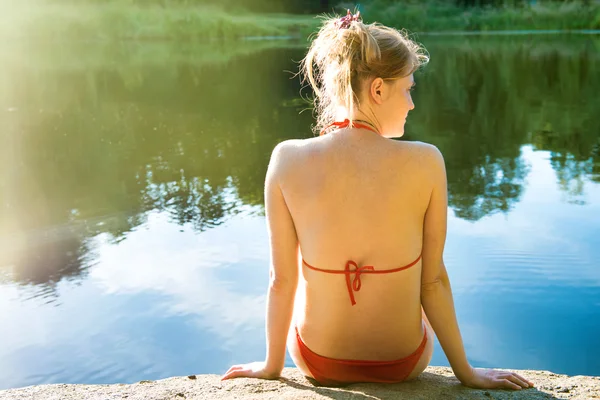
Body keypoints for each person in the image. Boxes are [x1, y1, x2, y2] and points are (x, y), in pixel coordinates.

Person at [221, 10, 534, 390]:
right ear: (379, 89)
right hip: (402, 361)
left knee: (306, 271)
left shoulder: (286, 158)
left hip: (316, 360)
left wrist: (272, 367)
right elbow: (432, 282)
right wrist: (466, 373)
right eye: (409, 88)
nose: (412, 103)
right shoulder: (426, 161)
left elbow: (280, 281)